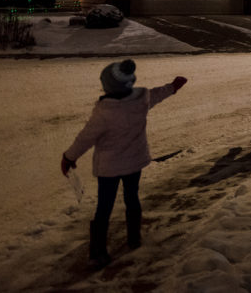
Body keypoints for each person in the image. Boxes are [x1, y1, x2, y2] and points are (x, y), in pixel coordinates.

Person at [60, 58, 187, 269]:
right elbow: (157, 94)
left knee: (104, 208)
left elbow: (85, 138)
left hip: (109, 169)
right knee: (132, 198)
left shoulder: (104, 112)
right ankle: (134, 238)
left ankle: (99, 252)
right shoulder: (142, 98)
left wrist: (69, 157)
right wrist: (173, 87)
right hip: (134, 163)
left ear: (109, 86)